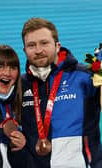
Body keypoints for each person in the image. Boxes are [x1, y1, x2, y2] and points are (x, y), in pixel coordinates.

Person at [20, 17, 102, 168]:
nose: (38, 50)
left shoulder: (85, 76)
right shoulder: (20, 84)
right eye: (31, 45)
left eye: (44, 43)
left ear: (57, 46)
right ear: (25, 50)